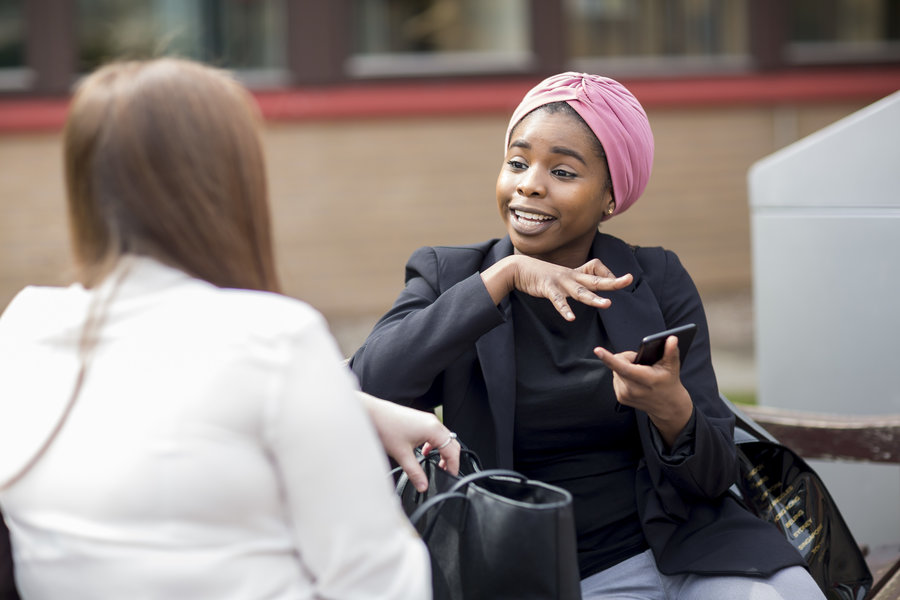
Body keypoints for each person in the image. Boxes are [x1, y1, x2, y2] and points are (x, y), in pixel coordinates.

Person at [349, 72, 826, 599]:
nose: (530, 182)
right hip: (557, 573)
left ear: (610, 197)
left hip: (692, 545)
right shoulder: (450, 277)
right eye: (517, 162)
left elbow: (714, 477)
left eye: (562, 170)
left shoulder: (657, 278)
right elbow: (366, 384)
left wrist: (673, 411)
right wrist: (502, 278)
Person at [0, 57, 459, 599]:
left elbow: (149, 370)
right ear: (226, 187)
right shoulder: (276, 339)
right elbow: (382, 583)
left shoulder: (26, 325)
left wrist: (343, 405)